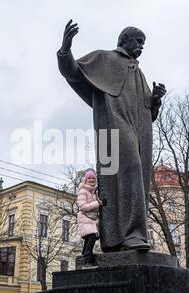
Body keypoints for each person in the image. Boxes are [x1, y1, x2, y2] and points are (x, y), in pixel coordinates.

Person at [57, 20, 166, 252]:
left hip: (139, 133)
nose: (141, 46)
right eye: (138, 41)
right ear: (124, 40)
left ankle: (124, 238)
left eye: (144, 43)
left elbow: (149, 113)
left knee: (139, 179)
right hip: (113, 129)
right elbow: (73, 71)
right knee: (131, 169)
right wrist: (65, 49)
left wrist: (155, 99)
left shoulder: (139, 73)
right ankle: (130, 234)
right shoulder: (105, 59)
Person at [77, 170, 104, 266]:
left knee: (89, 238)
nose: (91, 180)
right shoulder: (83, 191)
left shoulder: (93, 192)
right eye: (89, 178)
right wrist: (98, 203)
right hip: (85, 217)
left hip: (92, 218)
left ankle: (83, 257)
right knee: (92, 236)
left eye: (93, 178)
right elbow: (82, 206)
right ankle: (88, 259)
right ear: (85, 180)